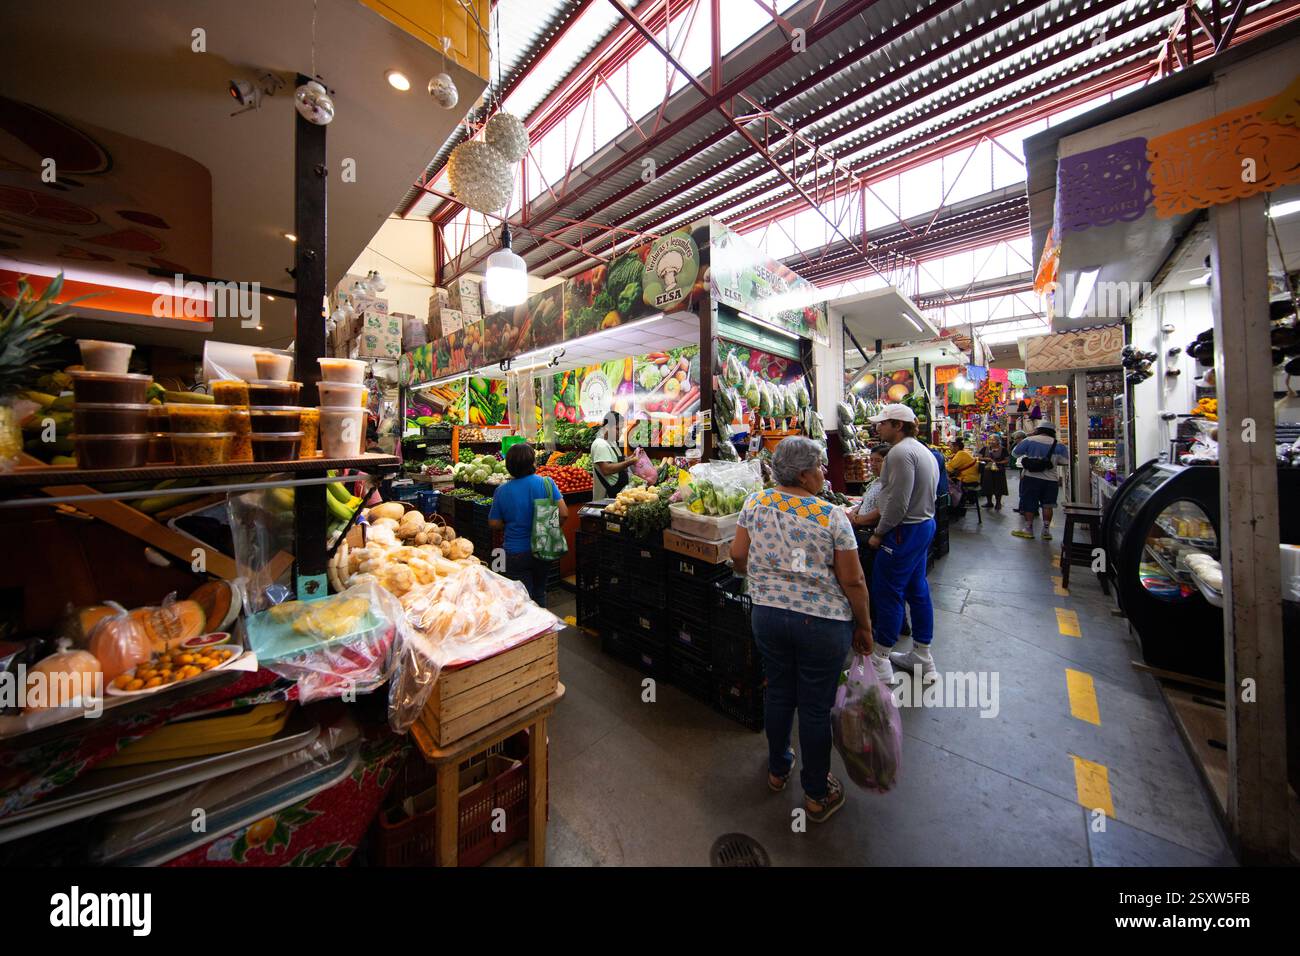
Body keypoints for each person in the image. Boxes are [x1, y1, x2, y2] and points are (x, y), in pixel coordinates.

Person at [730, 436, 873, 824]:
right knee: (813, 706)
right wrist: (864, 625)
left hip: (768, 617)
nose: (824, 473)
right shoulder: (832, 516)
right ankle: (815, 792)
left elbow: (738, 556)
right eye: (821, 467)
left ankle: (778, 769)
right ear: (806, 473)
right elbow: (854, 580)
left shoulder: (754, 504)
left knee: (777, 692)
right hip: (822, 624)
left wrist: (762, 578)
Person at [865, 403, 939, 682]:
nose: (878, 427)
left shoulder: (899, 453)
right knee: (916, 589)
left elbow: (897, 503)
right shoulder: (922, 450)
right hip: (923, 526)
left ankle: (880, 660)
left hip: (902, 531)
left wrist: (879, 533)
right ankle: (922, 655)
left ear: (898, 425)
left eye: (883, 423)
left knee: (888, 592)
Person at [489, 444, 568, 606]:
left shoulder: (501, 490)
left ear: (509, 466)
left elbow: (494, 523)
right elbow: (564, 513)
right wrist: (550, 527)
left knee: (521, 599)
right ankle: (545, 629)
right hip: (543, 546)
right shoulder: (547, 483)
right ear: (532, 462)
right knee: (539, 592)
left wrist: (511, 523)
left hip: (515, 552)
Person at [1012, 423, 1070, 540]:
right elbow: (1065, 461)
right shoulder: (1059, 444)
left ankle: (1028, 529)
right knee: (1048, 505)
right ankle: (1046, 531)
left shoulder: (1029, 440)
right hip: (1051, 480)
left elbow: (1015, 453)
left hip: (1031, 478)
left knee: (1029, 503)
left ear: (1038, 430)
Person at [589, 410, 637, 498]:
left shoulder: (612, 442)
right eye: (618, 429)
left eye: (621, 429)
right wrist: (629, 462)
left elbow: (615, 461)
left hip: (618, 494)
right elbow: (606, 469)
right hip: (606, 497)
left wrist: (630, 458)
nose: (621, 432)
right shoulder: (600, 444)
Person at [849, 443, 890, 529]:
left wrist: (859, 520)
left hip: (871, 529)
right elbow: (864, 502)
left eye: (878, 460)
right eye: (871, 460)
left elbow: (881, 511)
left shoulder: (889, 483)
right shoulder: (876, 481)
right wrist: (854, 513)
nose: (873, 464)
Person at [946, 439, 980, 508]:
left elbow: (949, 469)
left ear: (957, 447)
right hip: (973, 477)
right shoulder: (962, 453)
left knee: (947, 482)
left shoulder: (960, 454)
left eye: (951, 446)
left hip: (967, 479)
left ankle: (955, 503)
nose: (950, 448)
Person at [979, 436, 1009, 509]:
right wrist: (988, 458)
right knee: (988, 486)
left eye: (994, 440)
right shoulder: (985, 448)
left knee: (999, 487)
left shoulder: (1003, 449)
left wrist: (998, 463)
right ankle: (989, 502)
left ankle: (998, 503)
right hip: (988, 471)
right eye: (990, 440)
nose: (991, 441)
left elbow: (1007, 460)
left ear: (998, 441)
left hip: (999, 471)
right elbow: (979, 457)